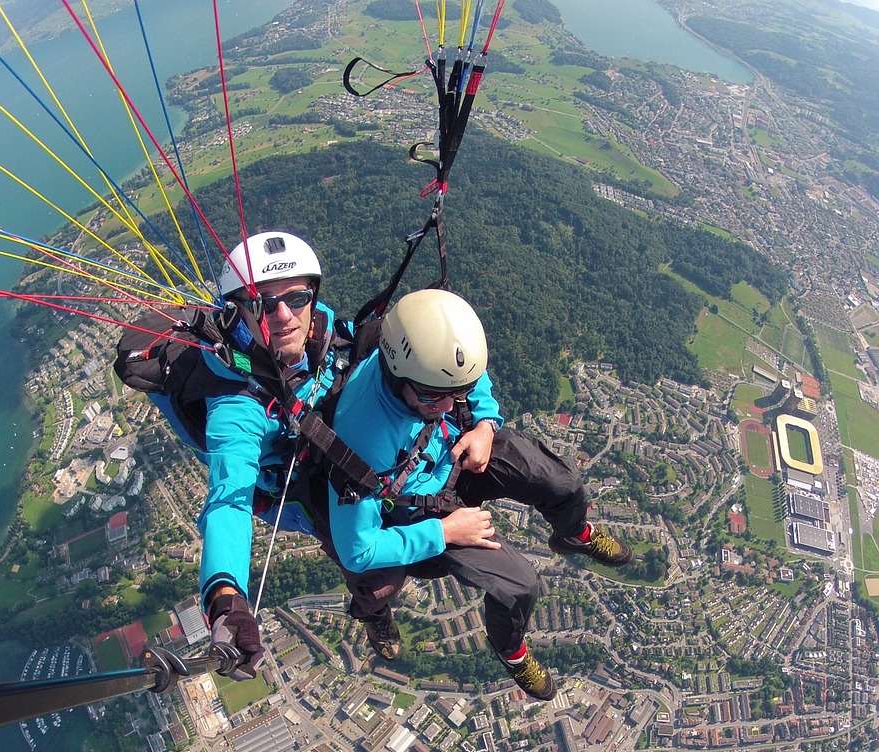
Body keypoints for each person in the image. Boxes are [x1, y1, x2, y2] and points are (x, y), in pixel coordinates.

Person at [325, 289, 633, 700]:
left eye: (457, 392)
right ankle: (512, 651)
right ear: (398, 378)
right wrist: (446, 532)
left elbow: (467, 379)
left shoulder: (427, 364)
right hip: (416, 507)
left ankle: (573, 533)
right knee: (520, 585)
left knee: (561, 482)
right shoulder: (363, 443)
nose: (451, 403)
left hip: (453, 452)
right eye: (436, 396)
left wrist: (485, 424)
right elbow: (357, 551)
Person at [195, 231, 339, 678]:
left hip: (329, 461)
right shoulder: (236, 404)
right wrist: (225, 598)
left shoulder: (333, 340)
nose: (282, 315)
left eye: (296, 298)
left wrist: (486, 423)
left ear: (313, 298)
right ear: (237, 315)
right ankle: (374, 617)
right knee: (354, 549)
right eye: (260, 303)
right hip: (293, 498)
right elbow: (229, 496)